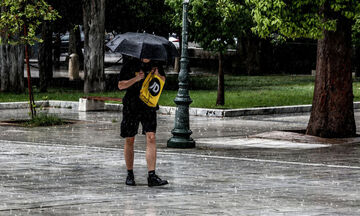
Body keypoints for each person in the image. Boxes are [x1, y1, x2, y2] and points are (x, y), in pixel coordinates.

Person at [118, 57, 168, 187]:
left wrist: (157, 75)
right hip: (131, 105)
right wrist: (136, 79)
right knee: (130, 139)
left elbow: (163, 81)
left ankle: (152, 175)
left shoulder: (156, 64)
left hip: (148, 105)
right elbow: (120, 85)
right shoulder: (130, 64)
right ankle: (130, 173)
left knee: (151, 136)